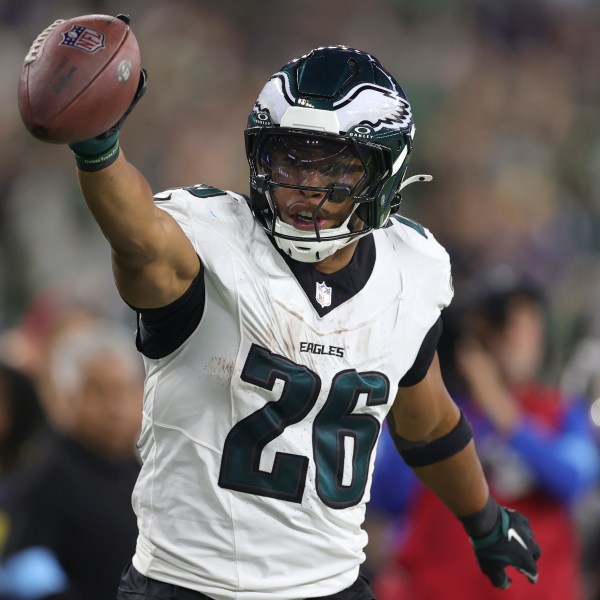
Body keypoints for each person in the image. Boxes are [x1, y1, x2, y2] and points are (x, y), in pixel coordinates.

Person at [21, 14, 541, 600]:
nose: (307, 190)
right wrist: (99, 147)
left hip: (330, 584)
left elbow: (428, 424)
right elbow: (140, 238)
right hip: (189, 584)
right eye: (292, 160)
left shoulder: (412, 270)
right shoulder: (213, 241)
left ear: (383, 173)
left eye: (337, 167)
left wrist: (485, 519)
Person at [366, 268, 599, 600]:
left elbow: (574, 478)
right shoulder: (434, 411)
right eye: (507, 323)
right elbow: (384, 494)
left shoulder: (559, 411)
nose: (520, 336)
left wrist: (502, 411)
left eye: (529, 322)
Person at [0, 322, 143, 600]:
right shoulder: (46, 469)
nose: (115, 406)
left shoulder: (145, 466)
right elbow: (26, 565)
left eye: (125, 390)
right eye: (99, 391)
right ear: (68, 395)